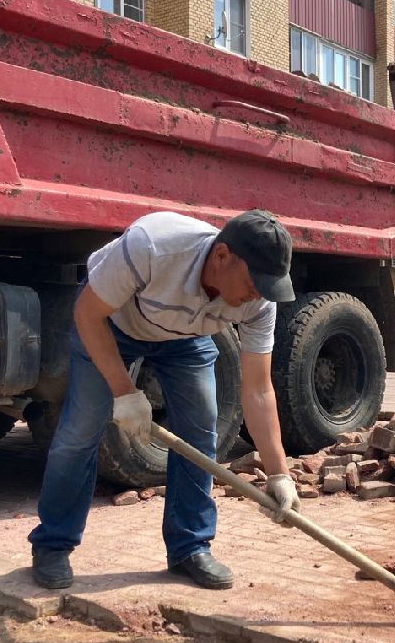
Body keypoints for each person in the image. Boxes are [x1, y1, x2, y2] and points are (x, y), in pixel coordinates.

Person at [28, 209, 300, 592]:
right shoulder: (153, 247)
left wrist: (278, 474)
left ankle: (190, 548)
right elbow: (87, 315)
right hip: (112, 324)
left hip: (185, 341)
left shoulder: (259, 301)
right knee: (81, 430)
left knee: (199, 435)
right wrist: (124, 390)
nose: (258, 293)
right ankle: (53, 544)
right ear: (221, 256)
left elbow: (258, 389)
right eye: (255, 280)